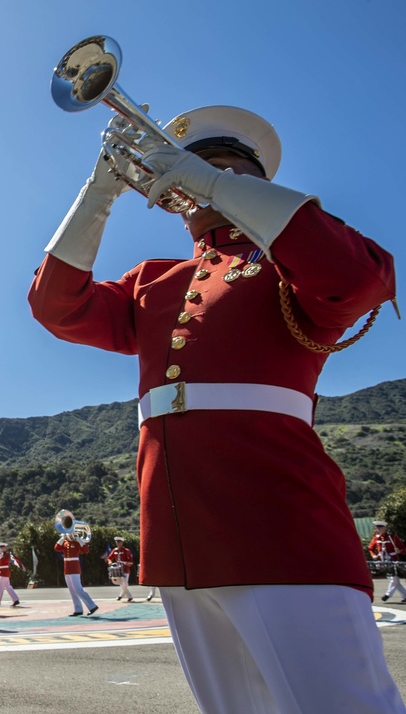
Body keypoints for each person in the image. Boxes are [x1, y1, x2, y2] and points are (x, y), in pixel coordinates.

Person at [28, 103, 404, 713]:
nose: (188, 185)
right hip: (180, 539)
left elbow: (354, 278)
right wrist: (101, 189)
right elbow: (55, 306)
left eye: (216, 169)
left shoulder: (290, 261)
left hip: (281, 528)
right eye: (185, 172)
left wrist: (211, 181)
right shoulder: (155, 280)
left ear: (254, 182)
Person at [54, 530, 97, 616]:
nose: (69, 535)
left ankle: (92, 606)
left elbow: (86, 550)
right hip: (67, 569)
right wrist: (62, 538)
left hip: (75, 569)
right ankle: (78, 609)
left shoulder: (77, 543)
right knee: (72, 591)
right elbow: (56, 548)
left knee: (78, 589)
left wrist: (79, 540)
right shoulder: (65, 542)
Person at [369, 520, 406, 603]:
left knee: (394, 578)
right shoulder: (376, 538)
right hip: (383, 561)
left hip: (393, 560)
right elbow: (370, 548)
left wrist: (399, 551)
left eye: (380, 527)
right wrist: (374, 555)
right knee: (393, 580)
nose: (378, 529)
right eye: (377, 528)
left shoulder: (392, 537)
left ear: (385, 528)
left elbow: (403, 548)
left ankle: (387, 595)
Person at [0, 542, 20, 608]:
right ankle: (15, 599)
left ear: (5, 548)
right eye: (0, 547)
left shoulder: (7, 555)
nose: (1, 548)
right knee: (8, 587)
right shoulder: (0, 554)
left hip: (4, 572)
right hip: (2, 572)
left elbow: (4, 560)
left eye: (2, 547)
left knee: (0, 587)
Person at [107, 536, 134, 602]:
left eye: (119, 542)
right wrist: (110, 562)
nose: (118, 543)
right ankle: (129, 597)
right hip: (118, 570)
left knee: (124, 583)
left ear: (122, 542)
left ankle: (120, 596)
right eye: (117, 542)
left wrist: (125, 563)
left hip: (125, 570)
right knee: (122, 584)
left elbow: (130, 561)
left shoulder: (126, 551)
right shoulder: (115, 550)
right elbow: (109, 558)